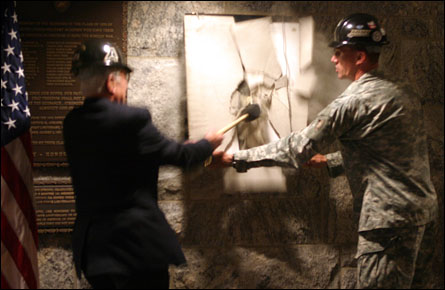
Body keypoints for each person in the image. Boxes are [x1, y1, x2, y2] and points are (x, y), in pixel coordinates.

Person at [213, 13, 438, 289]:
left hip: (387, 226)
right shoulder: (404, 92)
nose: (333, 58)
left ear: (358, 57)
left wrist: (235, 157)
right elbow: (389, 152)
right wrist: (330, 161)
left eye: (339, 52)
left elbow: (295, 148)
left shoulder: (352, 102)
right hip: (423, 217)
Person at [63, 39, 223, 289]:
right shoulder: (131, 119)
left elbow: (131, 156)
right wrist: (207, 145)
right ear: (112, 80)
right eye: (126, 79)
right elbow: (178, 157)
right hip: (136, 250)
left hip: (95, 252)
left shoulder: (72, 123)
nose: (126, 86)